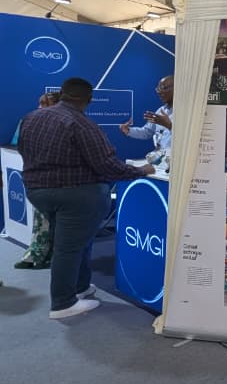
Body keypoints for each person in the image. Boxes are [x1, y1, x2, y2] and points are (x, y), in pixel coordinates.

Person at [18, 77, 154, 320]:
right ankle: (63, 303)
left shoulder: (31, 117)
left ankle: (80, 287)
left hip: (37, 192)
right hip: (76, 195)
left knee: (78, 241)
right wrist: (141, 171)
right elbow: (107, 166)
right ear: (89, 99)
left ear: (62, 93)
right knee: (68, 248)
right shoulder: (81, 124)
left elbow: (23, 150)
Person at [12, 90, 61, 269]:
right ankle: (37, 255)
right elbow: (21, 145)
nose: (40, 108)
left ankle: (47, 256)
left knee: (55, 221)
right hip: (38, 180)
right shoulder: (30, 122)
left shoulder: (63, 125)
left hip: (58, 181)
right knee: (41, 220)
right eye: (40, 104)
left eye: (44, 104)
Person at [120, 75, 173, 158]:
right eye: (158, 89)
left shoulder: (185, 113)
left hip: (177, 159)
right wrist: (129, 131)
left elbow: (187, 138)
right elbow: (147, 132)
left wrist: (169, 125)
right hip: (161, 158)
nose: (159, 92)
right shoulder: (161, 110)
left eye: (163, 88)